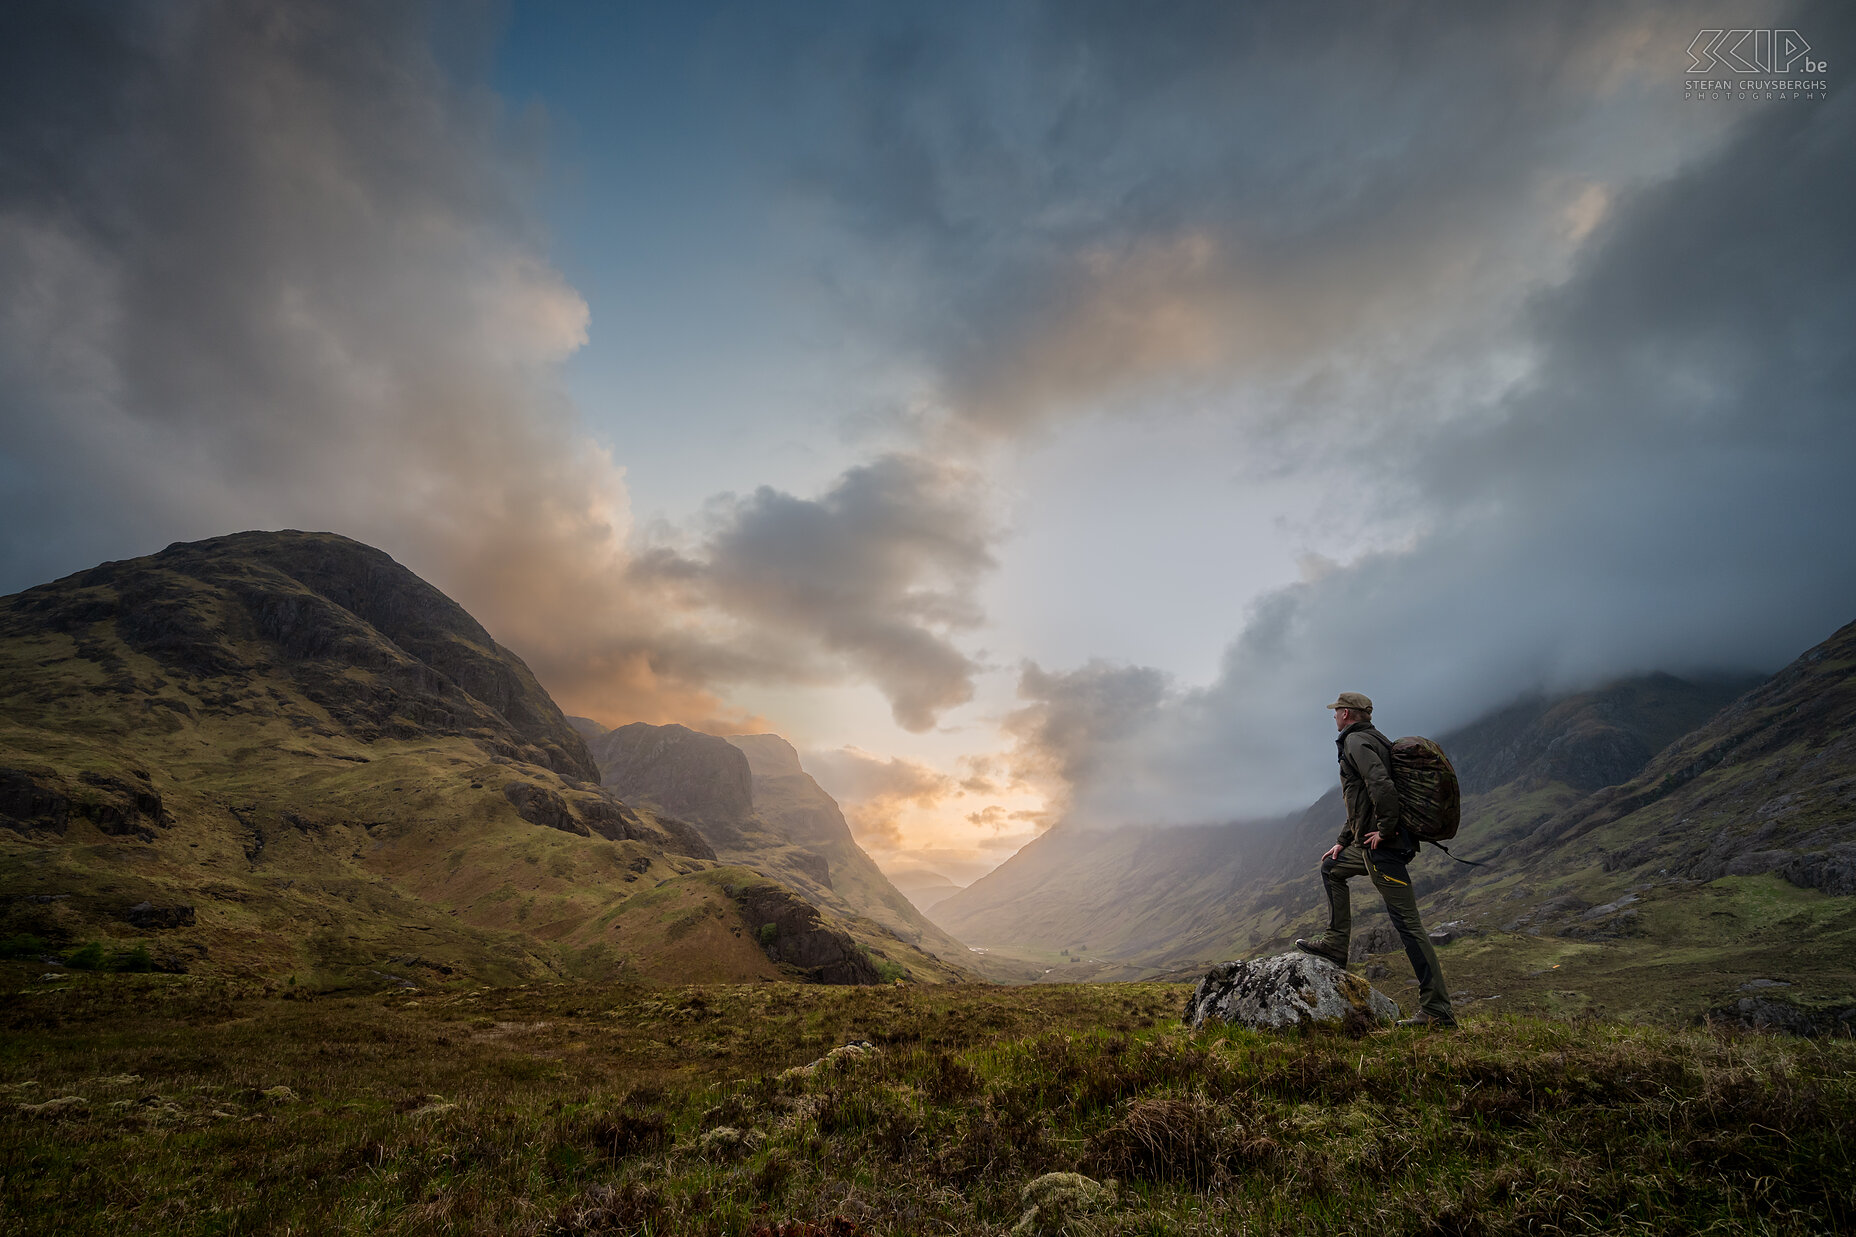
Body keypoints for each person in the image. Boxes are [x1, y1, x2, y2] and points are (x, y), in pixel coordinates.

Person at [1295, 692, 1456, 1029]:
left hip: (1384, 849)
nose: (1334, 715)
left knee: (1409, 927)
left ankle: (1438, 1011)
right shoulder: (1369, 740)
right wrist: (1342, 842)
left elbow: (1380, 786)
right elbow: (1360, 802)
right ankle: (1336, 946)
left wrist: (1384, 830)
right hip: (1369, 846)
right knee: (1332, 868)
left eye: (1337, 710)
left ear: (1348, 714)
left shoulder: (1357, 743)